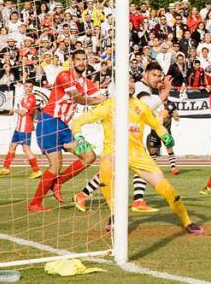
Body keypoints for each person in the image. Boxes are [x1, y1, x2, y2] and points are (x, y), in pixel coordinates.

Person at [70, 79, 203, 234]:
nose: (131, 84)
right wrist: (79, 138)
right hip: (113, 152)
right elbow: (78, 122)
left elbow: (157, 125)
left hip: (138, 155)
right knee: (106, 172)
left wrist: (166, 136)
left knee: (168, 189)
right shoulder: (108, 106)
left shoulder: (140, 107)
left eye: (132, 82)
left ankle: (188, 222)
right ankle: (114, 216)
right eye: (127, 82)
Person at [28, 50, 103, 212]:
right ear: (72, 61)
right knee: (55, 165)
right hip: (49, 122)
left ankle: (58, 183)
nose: (82, 63)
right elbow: (78, 99)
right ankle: (35, 203)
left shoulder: (87, 83)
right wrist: (97, 100)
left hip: (64, 127)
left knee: (89, 155)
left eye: (84, 59)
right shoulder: (64, 75)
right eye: (78, 60)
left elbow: (102, 100)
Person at [0, 81, 41, 179]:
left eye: (30, 86)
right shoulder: (23, 97)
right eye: (26, 86)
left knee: (26, 149)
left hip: (25, 127)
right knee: (12, 146)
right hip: (19, 127)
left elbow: (23, 113)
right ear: (24, 87)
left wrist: (14, 110)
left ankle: (37, 170)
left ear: (32, 88)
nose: (28, 88)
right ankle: (5, 168)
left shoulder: (31, 98)